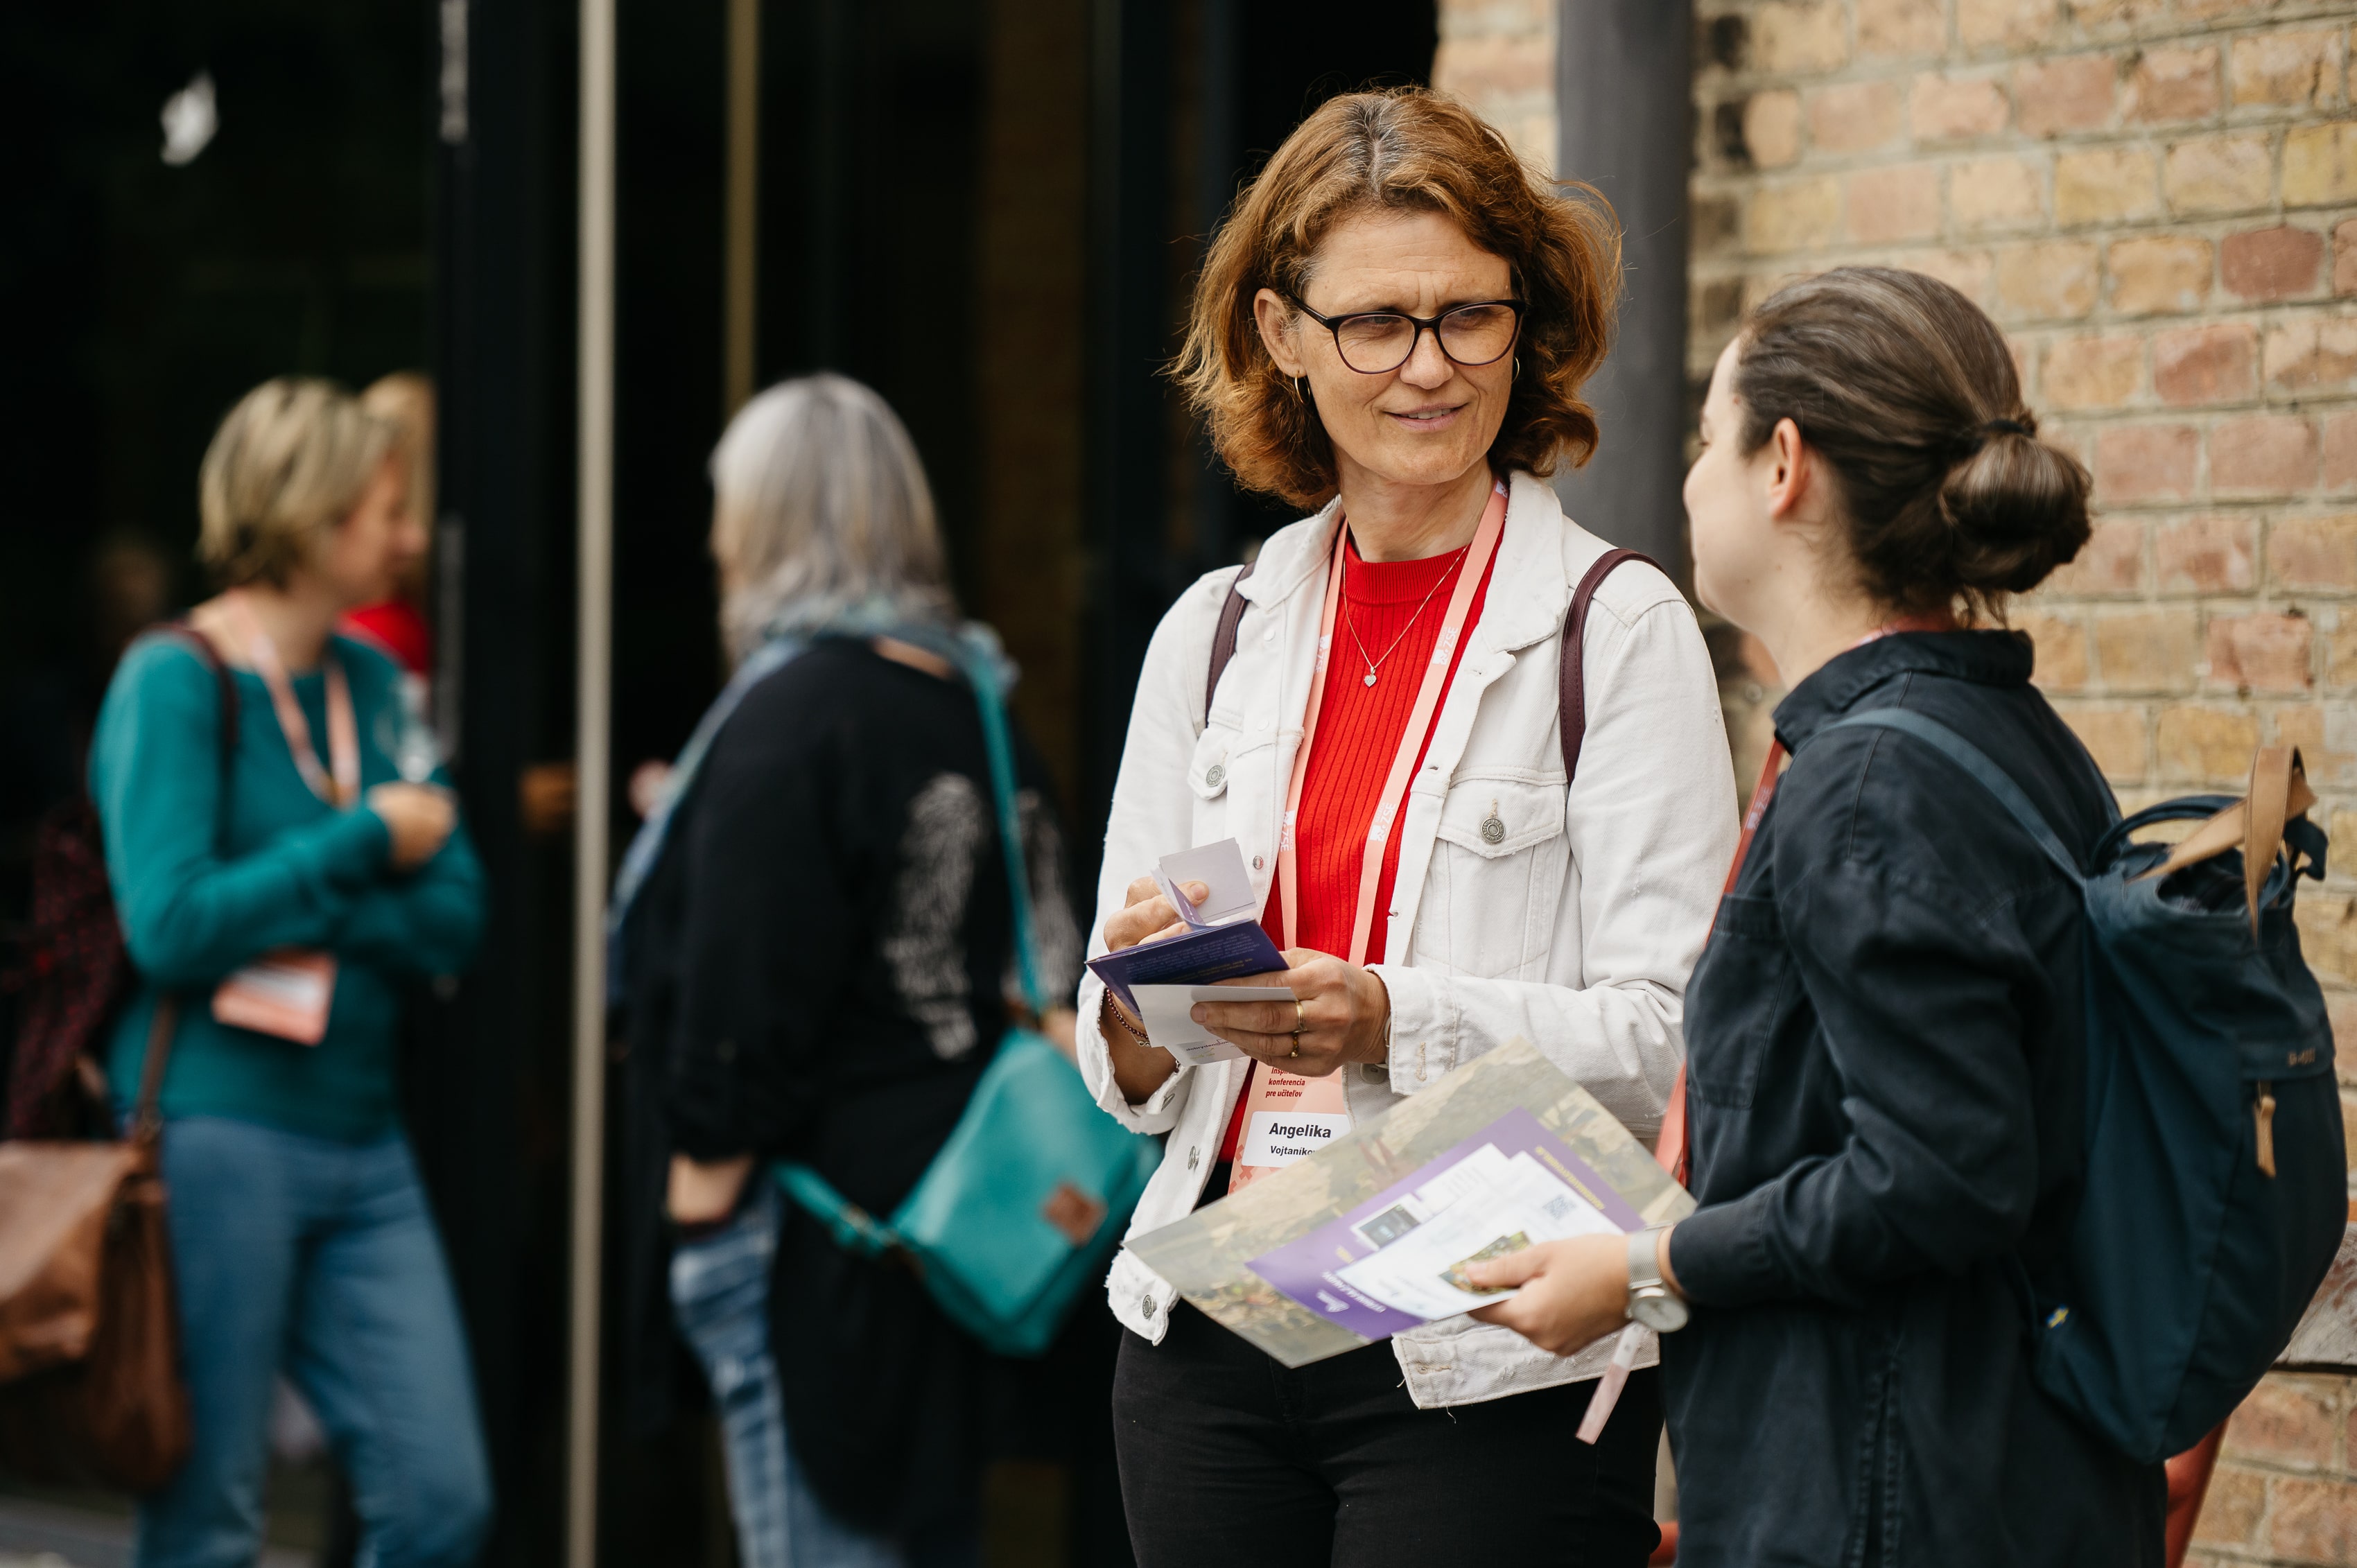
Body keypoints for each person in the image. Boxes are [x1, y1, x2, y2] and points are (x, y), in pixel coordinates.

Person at [1078, 88, 1737, 1566]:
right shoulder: (1211, 635)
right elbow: (1119, 1055)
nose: (1427, 367)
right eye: (1374, 322)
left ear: (1526, 323)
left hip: (1486, 1343)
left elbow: (1681, 1038)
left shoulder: (1612, 629)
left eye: (1468, 318)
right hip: (1208, 1336)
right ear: (1282, 333)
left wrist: (1386, 1016)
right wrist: (1141, 1010)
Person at [1461, 266, 2162, 1566]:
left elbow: (1939, 1177)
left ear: (1782, 465)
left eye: (1705, 439)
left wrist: (1644, 1265)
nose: (1685, 480)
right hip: (1949, 1471)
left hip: (1891, 1496)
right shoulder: (1997, 733)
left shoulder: (1873, 782)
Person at [615, 373, 1090, 1568]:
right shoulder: (976, 702)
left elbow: (742, 997)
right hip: (947, 1226)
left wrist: (697, 1194)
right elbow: (1044, 947)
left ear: (768, 524)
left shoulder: (792, 717)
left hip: (813, 1242)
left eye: (730, 507)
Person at [89, 376, 491, 1567]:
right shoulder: (175, 679)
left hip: (364, 1139)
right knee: (208, 1512)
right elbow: (169, 924)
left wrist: (288, 901)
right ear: (313, 519)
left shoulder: (373, 682)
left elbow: (458, 913)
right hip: (218, 1135)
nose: (411, 537)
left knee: (440, 1501)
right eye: (386, 511)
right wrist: (361, 844)